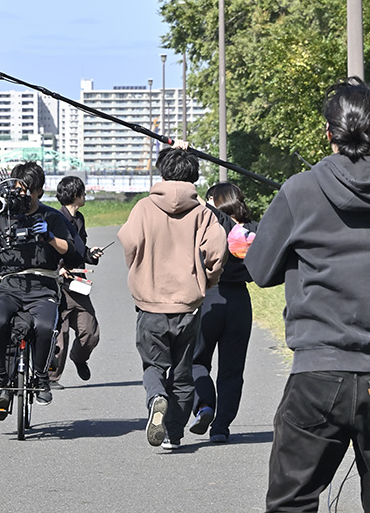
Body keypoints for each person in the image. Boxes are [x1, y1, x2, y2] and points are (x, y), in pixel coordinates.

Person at [245, 77, 370, 512]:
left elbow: (260, 270)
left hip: (317, 375)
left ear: (329, 133)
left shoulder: (299, 190)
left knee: (292, 503)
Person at [117, 143, 227, 449]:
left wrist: (139, 266)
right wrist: (209, 278)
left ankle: (156, 398)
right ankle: (174, 435)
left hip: (149, 303)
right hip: (188, 306)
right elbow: (217, 251)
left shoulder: (143, 207)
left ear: (163, 173)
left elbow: (128, 242)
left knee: (153, 365)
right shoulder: (203, 213)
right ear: (193, 175)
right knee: (182, 372)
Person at [0, 161, 79, 409]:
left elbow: (72, 253)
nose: (24, 195)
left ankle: (41, 377)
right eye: (19, 189)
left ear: (40, 190)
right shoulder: (0, 216)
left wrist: (50, 238)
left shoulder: (52, 217)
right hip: (9, 286)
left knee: (44, 326)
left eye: (29, 190)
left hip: (43, 287)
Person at [188, 183, 258, 443]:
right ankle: (221, 427)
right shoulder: (253, 230)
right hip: (240, 302)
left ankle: (204, 405)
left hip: (210, 299)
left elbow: (188, 198)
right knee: (232, 369)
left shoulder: (212, 224)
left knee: (196, 360)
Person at [50, 175, 105, 388]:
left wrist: (91, 254)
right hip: (58, 285)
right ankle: (51, 378)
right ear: (75, 195)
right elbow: (49, 249)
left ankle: (80, 358)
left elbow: (80, 250)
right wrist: (58, 268)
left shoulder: (80, 219)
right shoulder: (54, 218)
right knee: (59, 336)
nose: (85, 196)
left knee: (90, 331)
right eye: (82, 192)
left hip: (78, 283)